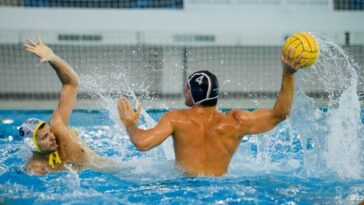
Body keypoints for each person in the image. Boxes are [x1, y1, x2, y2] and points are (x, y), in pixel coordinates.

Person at [117, 47, 306, 176]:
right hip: (222, 189)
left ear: (193, 94)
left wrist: (129, 124)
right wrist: (288, 74)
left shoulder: (177, 119)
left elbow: (142, 143)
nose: (184, 90)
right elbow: (280, 114)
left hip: (185, 190)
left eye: (187, 88)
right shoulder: (236, 122)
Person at [19, 36, 111, 175]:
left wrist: (53, 58)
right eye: (44, 137)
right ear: (34, 145)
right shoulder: (36, 168)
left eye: (49, 132)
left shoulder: (58, 126)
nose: (52, 136)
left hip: (112, 168)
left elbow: (71, 83)